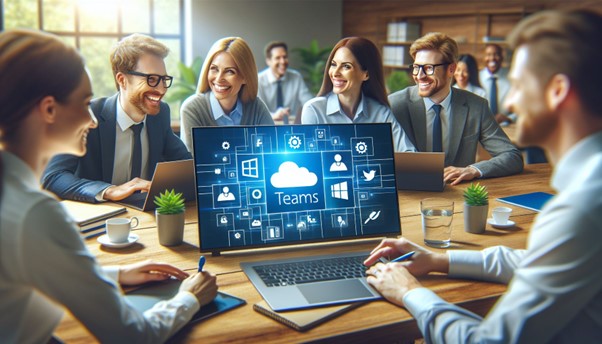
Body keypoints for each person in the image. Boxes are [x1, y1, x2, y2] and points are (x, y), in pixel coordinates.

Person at [365, 10, 602, 343]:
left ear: (558, 91)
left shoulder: (581, 210)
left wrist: (409, 293)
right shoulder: (588, 193)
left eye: (518, 85)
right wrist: (436, 260)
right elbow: (530, 260)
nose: (511, 100)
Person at [0, 29, 218, 343]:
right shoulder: (35, 213)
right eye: (84, 102)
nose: (90, 119)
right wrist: (189, 298)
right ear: (48, 110)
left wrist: (115, 274)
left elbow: (29, 269)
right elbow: (132, 336)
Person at [42, 33, 191, 203]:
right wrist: (109, 190)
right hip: (100, 218)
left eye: (164, 80)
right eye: (152, 79)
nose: (162, 89)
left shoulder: (160, 114)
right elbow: (53, 176)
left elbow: (186, 165)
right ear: (122, 80)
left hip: (144, 217)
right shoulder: (87, 116)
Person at [388, 32, 523, 185]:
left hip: (459, 195)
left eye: (428, 68)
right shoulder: (394, 104)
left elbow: (512, 156)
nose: (420, 75)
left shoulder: (476, 106)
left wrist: (473, 169)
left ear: (451, 69)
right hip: (410, 196)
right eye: (416, 67)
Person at [301, 37, 415, 152]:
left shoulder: (381, 113)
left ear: (365, 74)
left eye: (346, 66)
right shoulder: (314, 110)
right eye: (334, 64)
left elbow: (409, 154)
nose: (335, 73)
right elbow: (309, 161)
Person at [180, 37, 274, 153]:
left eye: (230, 71)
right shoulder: (192, 109)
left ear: (245, 77)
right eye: (214, 69)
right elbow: (192, 164)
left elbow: (272, 152)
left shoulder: (256, 108)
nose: (219, 79)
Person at [257, 41, 314, 124]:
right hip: (267, 126)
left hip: (292, 127)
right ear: (268, 61)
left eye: (285, 57)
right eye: (278, 58)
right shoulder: (259, 80)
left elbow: (308, 103)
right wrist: (273, 116)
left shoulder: (296, 77)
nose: (283, 61)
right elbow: (257, 111)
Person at [478, 43, 513, 123]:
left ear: (501, 57)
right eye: (488, 54)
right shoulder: (476, 78)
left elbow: (521, 106)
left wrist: (509, 118)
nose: (492, 58)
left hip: (506, 125)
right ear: (484, 58)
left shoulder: (511, 78)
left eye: (496, 54)